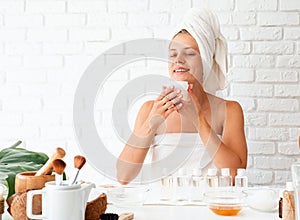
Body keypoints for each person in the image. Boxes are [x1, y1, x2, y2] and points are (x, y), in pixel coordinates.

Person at [117, 8, 247, 184]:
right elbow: (123, 176)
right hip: (163, 209)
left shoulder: (229, 110)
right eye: (173, 54)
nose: (178, 60)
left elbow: (234, 176)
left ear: (206, 61)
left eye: (189, 53)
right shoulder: (149, 109)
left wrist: (199, 120)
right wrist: (151, 124)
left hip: (212, 209)